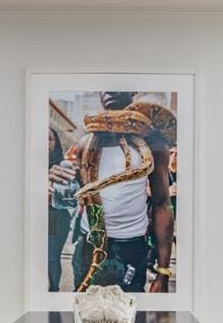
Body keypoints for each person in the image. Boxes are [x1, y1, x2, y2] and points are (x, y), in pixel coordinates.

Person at [66, 91, 175, 293]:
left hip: (131, 247)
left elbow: (162, 204)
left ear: (132, 92)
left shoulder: (154, 144)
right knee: (83, 311)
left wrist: (163, 272)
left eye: (118, 86)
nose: (111, 91)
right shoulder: (85, 144)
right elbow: (81, 197)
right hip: (88, 243)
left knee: (130, 315)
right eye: (104, 87)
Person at [47, 127, 73, 291]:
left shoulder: (63, 167)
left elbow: (71, 201)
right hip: (29, 217)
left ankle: (53, 292)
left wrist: (55, 193)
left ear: (56, 143)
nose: (44, 143)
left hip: (54, 216)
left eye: (49, 138)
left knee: (51, 257)